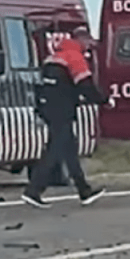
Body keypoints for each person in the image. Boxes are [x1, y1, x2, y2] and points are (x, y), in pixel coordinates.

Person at [22, 27, 108, 209]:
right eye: (88, 43)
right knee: (56, 148)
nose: (89, 47)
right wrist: (104, 100)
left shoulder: (54, 57)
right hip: (61, 109)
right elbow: (85, 85)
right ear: (82, 40)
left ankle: (84, 190)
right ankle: (33, 190)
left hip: (47, 107)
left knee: (69, 149)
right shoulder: (74, 57)